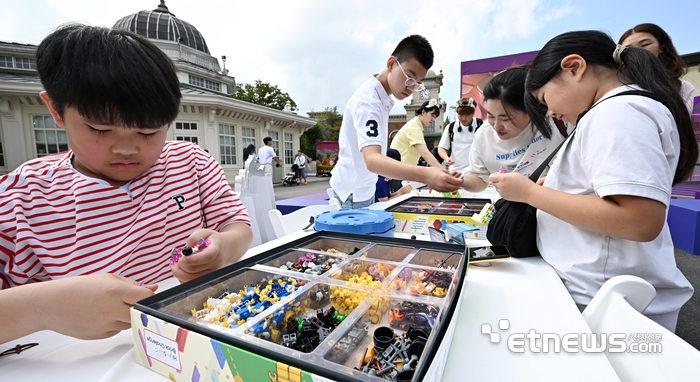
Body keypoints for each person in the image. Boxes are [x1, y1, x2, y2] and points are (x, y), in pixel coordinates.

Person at [0, 24, 253, 344]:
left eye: (147, 133)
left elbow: (238, 226)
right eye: (100, 130)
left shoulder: (190, 164)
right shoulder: (19, 199)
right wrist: (46, 306)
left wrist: (223, 248)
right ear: (56, 110)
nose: (126, 149)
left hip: (195, 334)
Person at [491, 30, 697, 332]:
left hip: (605, 307)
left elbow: (639, 219)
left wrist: (529, 193)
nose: (551, 112)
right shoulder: (614, 111)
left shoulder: (617, 113)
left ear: (574, 67)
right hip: (602, 296)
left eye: (544, 99)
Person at [330, 34, 462, 209]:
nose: (411, 87)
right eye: (409, 77)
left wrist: (438, 172)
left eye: (417, 83)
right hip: (353, 193)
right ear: (391, 63)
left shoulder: (381, 98)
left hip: (364, 189)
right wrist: (426, 175)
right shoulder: (369, 103)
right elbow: (373, 159)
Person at [456, 66, 568, 192]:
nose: (496, 126)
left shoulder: (559, 120)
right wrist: (460, 182)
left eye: (505, 119)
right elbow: (480, 178)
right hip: (518, 210)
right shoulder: (483, 135)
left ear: (530, 109)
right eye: (491, 116)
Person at [619, 23, 695, 114]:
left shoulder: (683, 87)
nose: (637, 52)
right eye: (628, 49)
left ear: (661, 48)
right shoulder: (615, 86)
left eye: (645, 45)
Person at [390, 99, 443, 167]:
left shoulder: (415, 125)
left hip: (401, 171)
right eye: (432, 115)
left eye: (435, 117)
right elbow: (425, 154)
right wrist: (443, 171)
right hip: (399, 172)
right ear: (423, 112)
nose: (433, 119)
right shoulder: (414, 127)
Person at [437, 97, 483, 172]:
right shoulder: (450, 127)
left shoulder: (481, 125)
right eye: (460, 115)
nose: (464, 118)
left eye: (467, 115)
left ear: (473, 113)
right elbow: (441, 148)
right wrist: (446, 158)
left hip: (477, 170)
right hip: (456, 170)